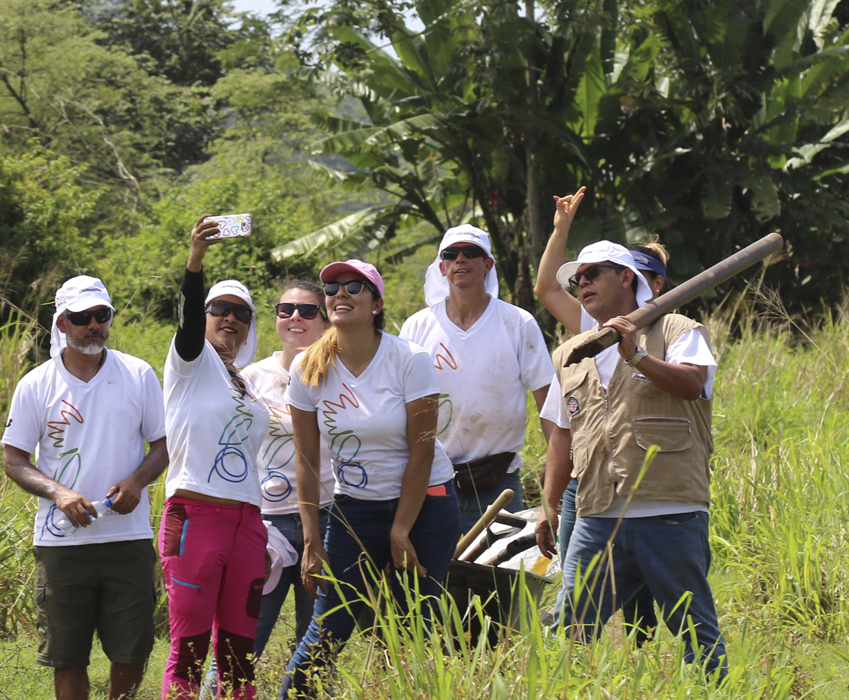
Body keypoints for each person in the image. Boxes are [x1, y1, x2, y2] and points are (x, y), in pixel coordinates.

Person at [535, 229, 728, 679]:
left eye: (592, 273)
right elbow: (562, 436)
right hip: (598, 515)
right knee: (569, 629)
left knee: (696, 631)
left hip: (669, 511)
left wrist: (636, 356)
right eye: (576, 279)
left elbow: (692, 384)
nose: (582, 283)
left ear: (625, 277)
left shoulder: (677, 329)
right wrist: (549, 505)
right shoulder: (571, 353)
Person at [278, 259, 459, 698]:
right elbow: (306, 459)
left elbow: (422, 450)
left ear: (376, 305)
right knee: (328, 628)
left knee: (413, 628)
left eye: (354, 286)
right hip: (355, 509)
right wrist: (311, 539)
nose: (340, 293)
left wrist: (400, 529)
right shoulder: (307, 367)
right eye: (332, 288)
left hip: (426, 506)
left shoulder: (410, 359)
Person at [1, 275, 169, 700]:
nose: (94, 325)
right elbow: (14, 460)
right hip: (62, 544)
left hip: (127, 538)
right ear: (62, 323)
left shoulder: (138, 374)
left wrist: (137, 481)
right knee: (68, 655)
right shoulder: (36, 384)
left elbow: (164, 443)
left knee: (132, 650)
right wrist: (59, 493)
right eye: (81, 317)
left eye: (101, 315)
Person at [159, 217, 273, 699]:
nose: (230, 318)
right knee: (189, 649)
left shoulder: (244, 383)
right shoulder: (191, 361)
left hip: (247, 521)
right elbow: (187, 320)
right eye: (219, 308)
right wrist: (195, 261)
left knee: (239, 654)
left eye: (241, 313)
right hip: (196, 518)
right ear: (205, 315)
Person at [398, 225, 552, 531]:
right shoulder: (417, 328)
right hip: (432, 480)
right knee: (434, 561)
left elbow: (547, 400)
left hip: (498, 481)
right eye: (451, 254)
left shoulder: (517, 323)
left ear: (488, 264)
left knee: (503, 561)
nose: (460, 260)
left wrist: (555, 466)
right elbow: (399, 405)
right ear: (441, 267)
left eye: (471, 253)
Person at [241, 280, 336, 657]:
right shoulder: (251, 378)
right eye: (286, 310)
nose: (296, 317)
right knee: (246, 633)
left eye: (308, 311)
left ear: (326, 322)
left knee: (317, 641)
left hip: (329, 517)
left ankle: (305, 687)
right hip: (269, 522)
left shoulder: (340, 376)